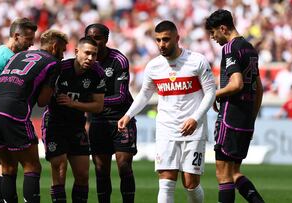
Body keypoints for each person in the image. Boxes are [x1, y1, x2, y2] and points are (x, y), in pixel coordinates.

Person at [118, 20, 216, 203]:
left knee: (190, 182)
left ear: (177, 38)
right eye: (158, 40)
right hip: (166, 128)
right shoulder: (154, 66)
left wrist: (195, 118)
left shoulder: (197, 61)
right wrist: (128, 114)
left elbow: (211, 92)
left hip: (193, 130)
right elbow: (144, 94)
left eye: (166, 39)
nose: (162, 44)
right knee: (166, 180)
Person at [0, 29, 68, 203]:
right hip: (13, 111)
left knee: (7, 167)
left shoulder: (17, 56)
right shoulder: (53, 62)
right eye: (62, 50)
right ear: (54, 46)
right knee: (32, 167)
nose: (63, 54)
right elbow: (43, 101)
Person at [205, 9, 265, 203]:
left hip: (230, 118)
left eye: (213, 33)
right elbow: (259, 87)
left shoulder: (230, 48)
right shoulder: (250, 48)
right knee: (234, 172)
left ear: (223, 28)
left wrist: (213, 95)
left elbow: (236, 83)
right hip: (245, 119)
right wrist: (252, 117)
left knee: (223, 175)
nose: (213, 38)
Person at [42, 36, 105, 203]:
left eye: (94, 54)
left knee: (83, 175)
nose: (91, 58)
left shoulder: (97, 73)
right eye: (87, 53)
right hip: (54, 124)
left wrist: (73, 103)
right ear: (77, 52)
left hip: (77, 126)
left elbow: (98, 106)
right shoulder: (60, 68)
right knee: (60, 168)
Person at [0, 17, 37, 203]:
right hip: (3, 117)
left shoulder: (18, 56)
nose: (31, 44)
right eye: (28, 39)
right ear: (16, 36)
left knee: (6, 165)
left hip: (9, 115)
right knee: (3, 166)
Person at [85, 23, 137, 203]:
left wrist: (94, 102)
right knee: (100, 169)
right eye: (91, 38)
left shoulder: (118, 60)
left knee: (124, 166)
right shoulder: (83, 62)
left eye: (98, 38)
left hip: (121, 119)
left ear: (106, 40)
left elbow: (121, 97)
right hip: (98, 121)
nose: (94, 42)